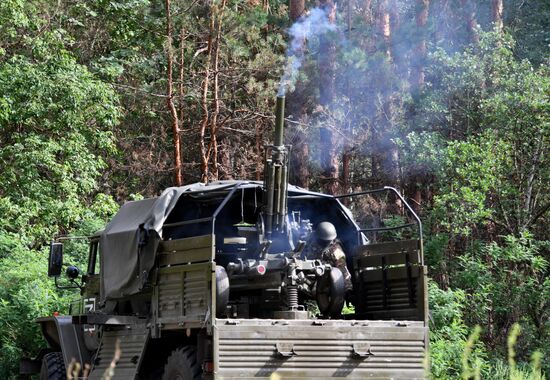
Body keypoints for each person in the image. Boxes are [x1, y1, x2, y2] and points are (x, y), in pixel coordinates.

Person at [305, 221, 353, 292]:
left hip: (325, 278)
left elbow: (343, 271)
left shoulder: (336, 251)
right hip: (307, 274)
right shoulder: (310, 242)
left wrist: (348, 288)